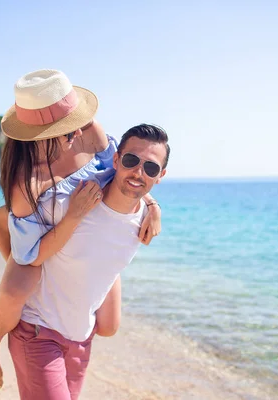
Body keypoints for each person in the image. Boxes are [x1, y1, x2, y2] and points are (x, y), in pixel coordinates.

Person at [0, 70, 162, 388]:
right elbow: (32, 255)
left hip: (77, 238)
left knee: (108, 326)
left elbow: (127, 168)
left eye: (74, 120)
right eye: (62, 128)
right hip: (37, 238)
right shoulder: (29, 182)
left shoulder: (89, 131)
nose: (75, 131)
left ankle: (6, 219)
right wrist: (74, 215)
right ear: (35, 134)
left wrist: (151, 204)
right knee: (15, 291)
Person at [9, 123, 169, 399]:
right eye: (131, 160)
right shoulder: (72, 201)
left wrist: (153, 206)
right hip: (38, 334)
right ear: (116, 159)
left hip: (81, 340)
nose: (138, 172)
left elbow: (107, 262)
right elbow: (25, 251)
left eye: (150, 168)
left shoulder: (144, 218)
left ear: (161, 176)